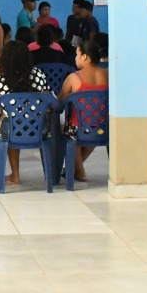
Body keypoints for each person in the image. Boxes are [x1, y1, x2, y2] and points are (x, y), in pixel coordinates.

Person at [0, 40, 48, 186]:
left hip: (12, 128)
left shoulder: (0, 79)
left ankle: (15, 174)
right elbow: (46, 94)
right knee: (15, 121)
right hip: (38, 127)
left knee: (10, 122)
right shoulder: (38, 74)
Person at [55, 33, 109, 182]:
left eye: (77, 54)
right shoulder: (109, 75)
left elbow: (59, 105)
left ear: (85, 57)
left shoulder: (74, 78)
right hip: (104, 127)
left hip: (78, 128)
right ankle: (75, 168)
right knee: (92, 128)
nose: (75, 58)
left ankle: (80, 171)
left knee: (69, 128)